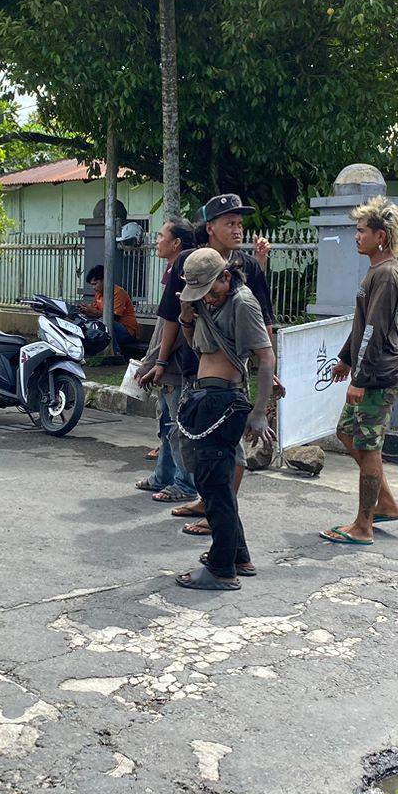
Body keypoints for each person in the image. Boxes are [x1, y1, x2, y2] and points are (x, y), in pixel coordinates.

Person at [156, 194, 279, 537]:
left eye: (240, 224)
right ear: (210, 227)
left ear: (226, 278)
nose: (237, 230)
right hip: (193, 369)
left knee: (226, 449)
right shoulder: (190, 262)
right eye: (229, 223)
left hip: (229, 381)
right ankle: (210, 504)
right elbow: (173, 316)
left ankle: (223, 514)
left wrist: (271, 375)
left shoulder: (247, 272)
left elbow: (264, 327)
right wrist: (160, 360)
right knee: (195, 444)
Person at [173, 248, 277, 590]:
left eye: (211, 291)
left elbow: (266, 358)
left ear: (226, 277)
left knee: (215, 486)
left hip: (224, 401)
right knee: (214, 484)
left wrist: (259, 413)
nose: (208, 298)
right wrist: (187, 316)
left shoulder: (243, 302)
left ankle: (221, 569)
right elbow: (197, 347)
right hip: (206, 397)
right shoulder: (208, 302)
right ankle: (239, 556)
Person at [325, 197, 398, 545]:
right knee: (346, 432)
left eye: (362, 231)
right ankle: (386, 504)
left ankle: (363, 526)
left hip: (379, 376)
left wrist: (360, 379)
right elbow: (362, 324)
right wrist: (346, 358)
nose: (356, 236)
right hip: (370, 372)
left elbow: (373, 332)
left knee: (369, 446)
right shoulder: (377, 270)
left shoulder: (387, 274)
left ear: (381, 236)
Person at [136, 217, 198, 502]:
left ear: (177, 243)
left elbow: (175, 327)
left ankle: (185, 484)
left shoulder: (183, 274)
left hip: (176, 364)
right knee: (166, 424)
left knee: (176, 426)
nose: (157, 241)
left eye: (162, 236)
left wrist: (156, 362)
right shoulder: (171, 272)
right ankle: (163, 476)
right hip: (165, 362)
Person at [80, 265, 139, 355]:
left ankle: (114, 353)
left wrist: (94, 312)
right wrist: (87, 312)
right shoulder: (98, 294)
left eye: (95, 284)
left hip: (126, 331)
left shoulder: (118, 292)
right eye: (92, 285)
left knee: (104, 323)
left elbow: (115, 318)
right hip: (109, 327)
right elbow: (95, 314)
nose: (93, 288)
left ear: (104, 280)